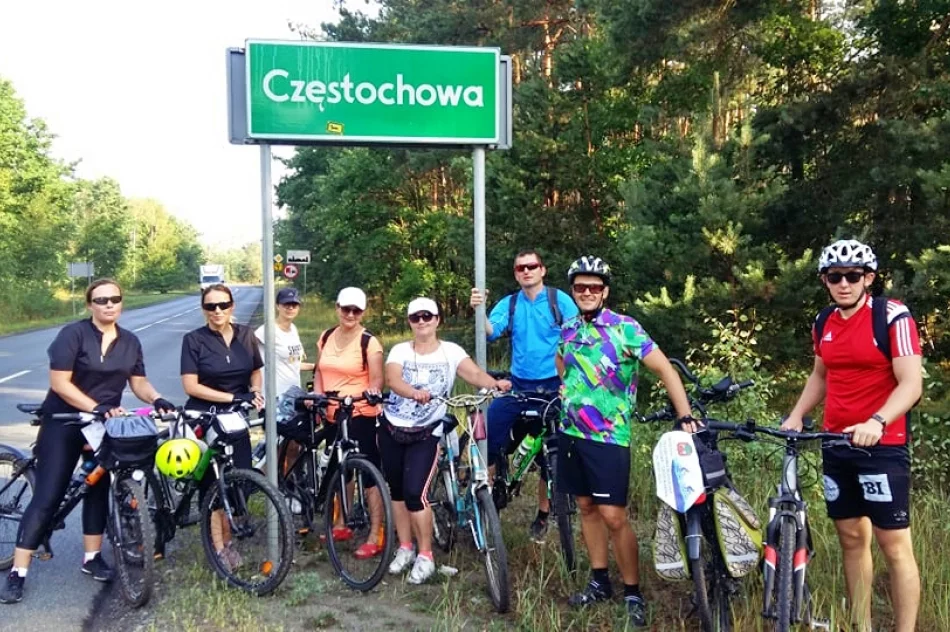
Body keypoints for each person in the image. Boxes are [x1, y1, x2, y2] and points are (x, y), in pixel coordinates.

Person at [1, 279, 175, 604]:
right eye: (101, 300)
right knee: (48, 495)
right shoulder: (73, 335)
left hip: (102, 424)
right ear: (90, 305)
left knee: (97, 488)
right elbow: (60, 383)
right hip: (64, 421)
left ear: (122, 303)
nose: (109, 304)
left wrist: (158, 398)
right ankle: (18, 572)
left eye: (115, 299)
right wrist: (96, 406)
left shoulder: (130, 341)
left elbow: (138, 383)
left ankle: (91, 557)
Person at [781, 239, 922, 632]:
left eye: (853, 276)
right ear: (825, 280)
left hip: (883, 447)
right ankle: (861, 626)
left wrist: (877, 421)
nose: (844, 283)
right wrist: (796, 415)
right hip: (836, 444)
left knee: (893, 545)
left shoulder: (892, 317)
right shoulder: (824, 321)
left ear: (869, 278)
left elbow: (911, 384)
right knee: (850, 538)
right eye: (834, 276)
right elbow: (821, 375)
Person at [555, 256, 693, 628]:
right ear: (573, 291)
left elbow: (665, 369)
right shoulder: (567, 329)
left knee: (614, 516)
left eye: (594, 287)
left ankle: (632, 590)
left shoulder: (626, 329)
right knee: (585, 507)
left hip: (609, 437)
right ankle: (600, 581)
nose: (587, 293)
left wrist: (685, 417)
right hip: (571, 434)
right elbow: (562, 367)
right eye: (580, 287)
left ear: (605, 292)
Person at [382, 298, 511, 584]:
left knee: (417, 492)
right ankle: (405, 548)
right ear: (410, 322)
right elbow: (392, 379)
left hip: (426, 432)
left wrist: (494, 384)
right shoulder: (401, 350)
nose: (422, 321)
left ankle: (426, 556)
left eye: (428, 316)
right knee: (398, 492)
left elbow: (474, 374)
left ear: (438, 320)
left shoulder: (451, 352)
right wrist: (412, 392)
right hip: (393, 427)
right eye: (416, 317)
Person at [470, 249, 578, 540]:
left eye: (532, 266)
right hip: (520, 387)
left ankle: (543, 514)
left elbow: (579, 336)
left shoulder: (560, 301)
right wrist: (479, 310)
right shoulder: (511, 303)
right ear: (516, 273)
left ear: (542, 270)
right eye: (520, 268)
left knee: (550, 457)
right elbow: (491, 332)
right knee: (488, 434)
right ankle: (488, 498)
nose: (526, 271)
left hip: (556, 388)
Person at [180, 284, 264, 571]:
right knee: (213, 485)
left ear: (232, 306)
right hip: (204, 416)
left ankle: (229, 540)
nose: (217, 311)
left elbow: (255, 370)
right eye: (211, 306)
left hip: (235, 417)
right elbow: (191, 385)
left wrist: (254, 391)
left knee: (238, 480)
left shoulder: (246, 335)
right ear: (203, 309)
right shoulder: (194, 340)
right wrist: (232, 397)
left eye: (223, 305)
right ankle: (220, 548)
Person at [311, 287, 386, 558]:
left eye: (356, 310)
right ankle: (341, 523)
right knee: (338, 470)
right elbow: (320, 370)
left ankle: (376, 533)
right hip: (332, 413)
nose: (351, 315)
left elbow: (377, 380)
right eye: (346, 309)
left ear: (363, 312)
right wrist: (317, 397)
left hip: (360, 413)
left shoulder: (369, 342)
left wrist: (359, 397)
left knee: (368, 474)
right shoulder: (327, 336)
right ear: (337, 308)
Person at [255, 287, 314, 401]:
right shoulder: (266, 330)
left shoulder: (293, 329)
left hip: (294, 396)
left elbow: (293, 363)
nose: (290, 308)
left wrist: (315, 367)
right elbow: (247, 351)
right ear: (278, 306)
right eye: (286, 304)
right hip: (274, 398)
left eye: (294, 305)